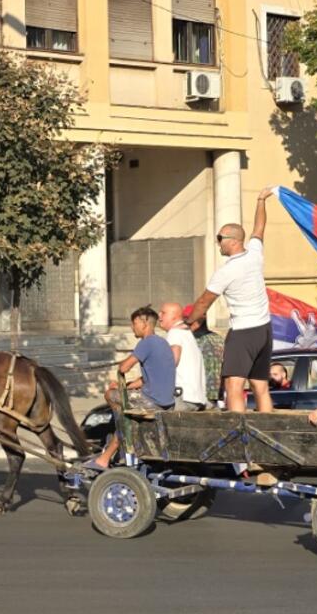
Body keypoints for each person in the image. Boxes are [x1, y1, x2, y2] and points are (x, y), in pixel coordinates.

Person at [186, 190, 275, 413]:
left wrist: (188, 322)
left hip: (244, 331)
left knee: (233, 385)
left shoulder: (226, 271)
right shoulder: (255, 254)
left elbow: (204, 302)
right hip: (264, 329)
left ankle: (239, 435)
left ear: (234, 241)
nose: (218, 243)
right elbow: (259, 228)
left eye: (220, 239)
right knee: (260, 385)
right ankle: (270, 429)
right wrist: (261, 200)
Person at [93, 305, 177, 470]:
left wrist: (120, 372)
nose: (132, 327)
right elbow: (147, 380)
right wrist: (127, 386)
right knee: (120, 394)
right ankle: (123, 436)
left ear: (145, 323)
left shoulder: (146, 342)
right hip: (167, 401)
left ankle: (122, 435)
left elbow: (124, 368)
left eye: (134, 323)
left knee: (110, 395)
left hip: (152, 402)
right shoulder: (162, 343)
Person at [158, 300, 207, 408]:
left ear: (174, 316)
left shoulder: (175, 333)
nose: (159, 316)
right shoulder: (186, 333)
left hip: (182, 396)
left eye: (163, 313)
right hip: (196, 397)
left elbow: (172, 361)